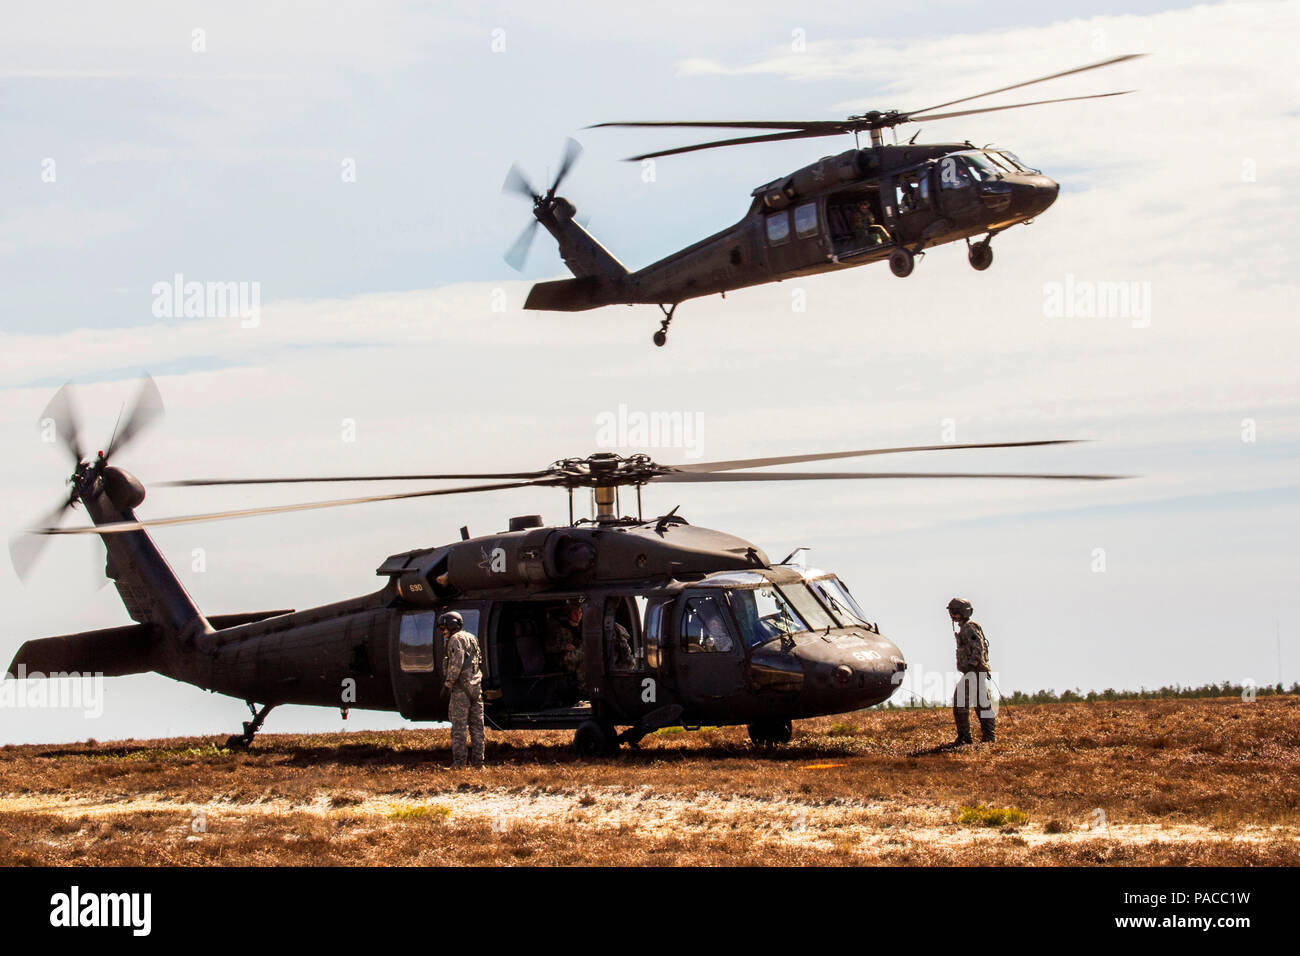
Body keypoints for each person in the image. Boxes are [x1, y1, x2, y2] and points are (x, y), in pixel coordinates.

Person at [948, 597, 995, 745]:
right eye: (952, 612)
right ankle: (988, 738)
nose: (953, 615)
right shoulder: (966, 626)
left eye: (955, 612)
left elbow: (978, 647)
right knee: (982, 704)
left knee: (960, 702)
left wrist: (972, 665)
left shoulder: (969, 627)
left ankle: (965, 738)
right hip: (975, 672)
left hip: (973, 672)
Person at [439, 610, 484, 768]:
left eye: (444, 628)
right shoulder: (472, 638)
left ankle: (459, 764)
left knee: (458, 729)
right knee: (477, 728)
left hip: (461, 691)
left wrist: (448, 684)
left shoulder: (455, 640)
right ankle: (479, 763)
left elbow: (456, 663)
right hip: (475, 689)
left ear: (452, 626)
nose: (443, 632)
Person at [546, 598, 586, 699]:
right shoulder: (561, 629)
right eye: (575, 613)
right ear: (569, 613)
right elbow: (549, 647)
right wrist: (564, 647)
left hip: (578, 655)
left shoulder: (585, 627)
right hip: (564, 659)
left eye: (580, 612)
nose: (578, 615)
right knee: (584, 656)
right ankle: (583, 690)